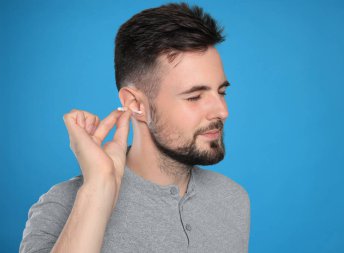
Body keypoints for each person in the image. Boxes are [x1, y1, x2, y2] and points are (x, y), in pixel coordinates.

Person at [19, 2, 250, 253]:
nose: (222, 112)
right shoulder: (63, 205)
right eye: (194, 97)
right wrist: (98, 189)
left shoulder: (233, 199)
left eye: (222, 92)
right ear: (136, 103)